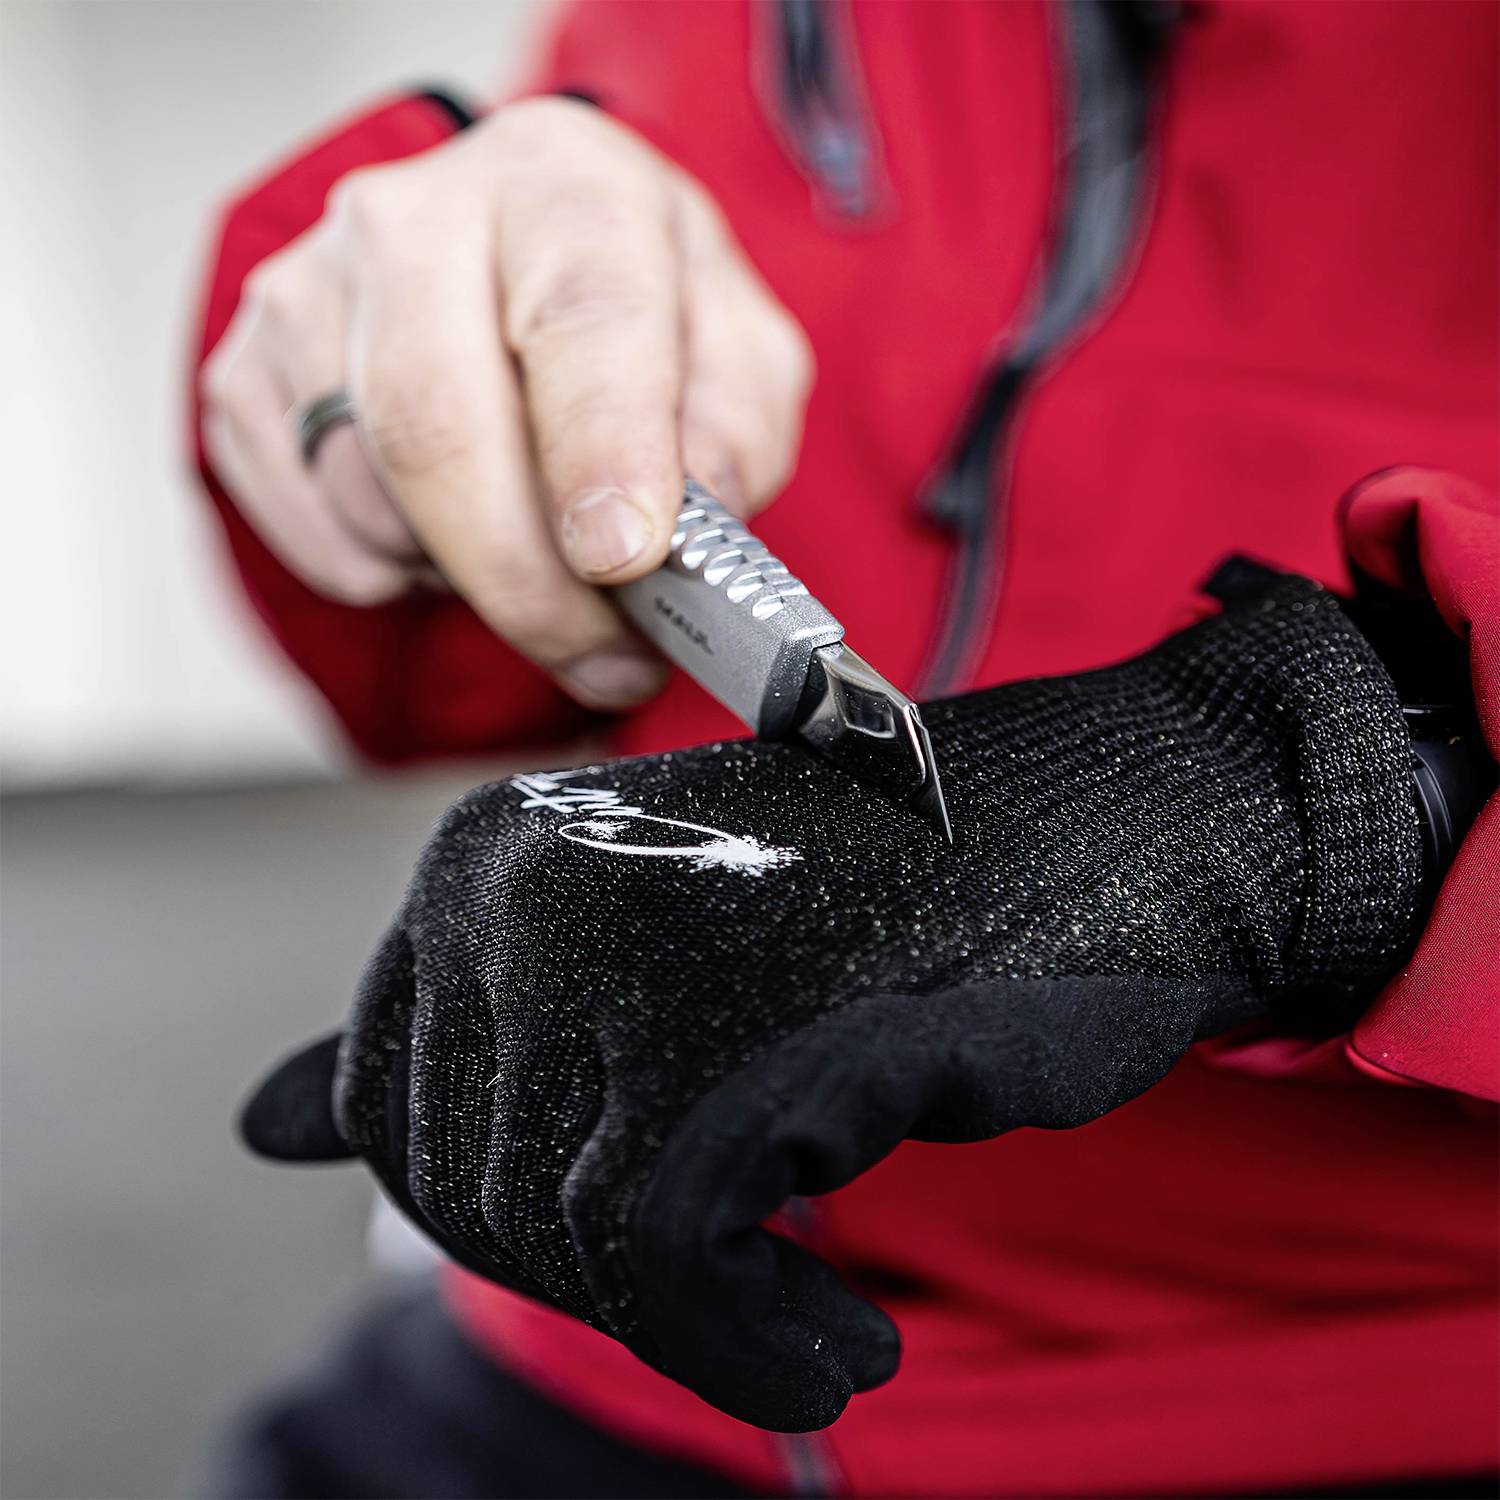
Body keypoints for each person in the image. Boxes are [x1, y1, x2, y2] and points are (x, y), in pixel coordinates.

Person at [192, 2, 1499, 1496]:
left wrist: (1330, 780)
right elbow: (460, 687)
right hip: (578, 1338)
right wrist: (408, 399)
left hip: (1352, 1400)